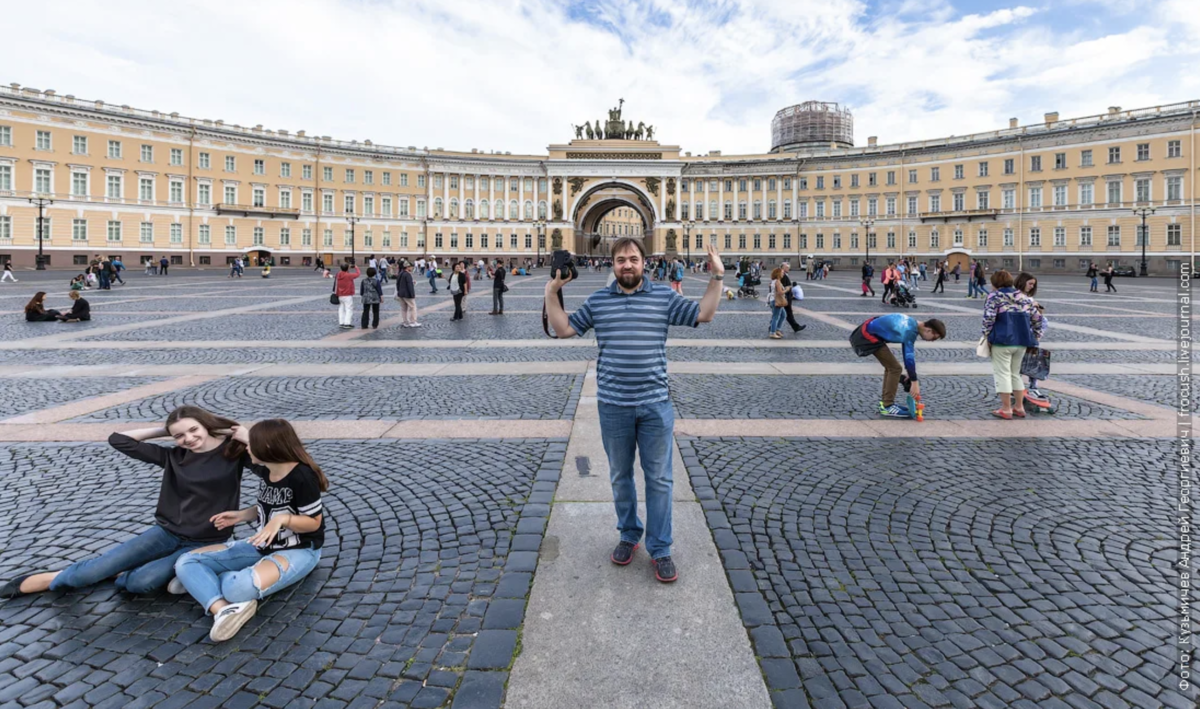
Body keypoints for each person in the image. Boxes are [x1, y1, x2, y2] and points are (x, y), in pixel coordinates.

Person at [544, 238, 726, 584]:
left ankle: (660, 548)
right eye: (620, 260)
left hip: (655, 404)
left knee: (659, 479)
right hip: (614, 405)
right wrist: (552, 292)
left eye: (633, 259)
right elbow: (564, 329)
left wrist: (717, 277)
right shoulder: (598, 301)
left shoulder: (663, 297)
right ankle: (629, 534)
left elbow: (704, 313)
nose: (627, 265)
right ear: (612, 265)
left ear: (644, 262)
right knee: (620, 475)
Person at [0, 407, 250, 599]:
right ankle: (51, 578)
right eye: (180, 435)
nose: (188, 438)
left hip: (209, 540)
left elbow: (279, 465)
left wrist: (247, 438)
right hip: (167, 533)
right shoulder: (174, 456)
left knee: (138, 584)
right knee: (91, 571)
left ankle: (183, 569)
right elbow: (119, 440)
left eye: (194, 429)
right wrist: (164, 430)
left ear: (205, 424)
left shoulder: (233, 452)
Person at [174, 419, 326, 642]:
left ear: (266, 448)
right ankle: (224, 610)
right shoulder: (268, 471)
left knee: (237, 589)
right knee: (185, 562)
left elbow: (313, 522)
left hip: (301, 551)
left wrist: (282, 520)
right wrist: (241, 515)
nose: (247, 448)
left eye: (251, 444)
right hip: (262, 544)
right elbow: (268, 506)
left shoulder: (303, 477)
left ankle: (205, 585)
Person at [849, 314, 947, 417]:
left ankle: (886, 403)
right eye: (934, 338)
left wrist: (910, 373)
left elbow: (906, 352)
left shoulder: (911, 323)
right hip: (866, 337)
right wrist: (914, 382)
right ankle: (887, 406)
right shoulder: (910, 330)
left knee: (892, 368)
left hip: (865, 332)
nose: (932, 341)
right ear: (928, 330)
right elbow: (909, 356)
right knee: (895, 368)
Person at [982, 270, 1045, 419]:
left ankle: (1006, 408)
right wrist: (1036, 337)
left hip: (1002, 340)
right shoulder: (1025, 298)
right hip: (1022, 341)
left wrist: (986, 337)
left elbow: (988, 319)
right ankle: (1019, 407)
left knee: (1002, 373)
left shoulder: (994, 297)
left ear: (995, 283)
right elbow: (1038, 319)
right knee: (1015, 374)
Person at [1014, 272, 1048, 394]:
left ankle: (1033, 386)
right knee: (1021, 362)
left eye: (1034, 284)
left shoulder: (1028, 298)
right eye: (1030, 284)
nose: (1032, 287)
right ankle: (1019, 387)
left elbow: (1038, 319)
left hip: (1030, 335)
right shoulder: (1018, 297)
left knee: (1032, 361)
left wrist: (1037, 309)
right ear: (1022, 282)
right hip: (1023, 335)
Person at [779, 262, 806, 333]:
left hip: (787, 297)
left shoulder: (785, 275)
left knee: (786, 313)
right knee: (782, 314)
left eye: (788, 267)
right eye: (787, 267)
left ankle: (796, 327)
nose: (788, 268)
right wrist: (788, 288)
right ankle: (772, 328)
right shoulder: (782, 275)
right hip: (785, 298)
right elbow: (782, 287)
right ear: (782, 268)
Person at [335, 262, 360, 329]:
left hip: (340, 294)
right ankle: (347, 323)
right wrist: (356, 268)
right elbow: (357, 274)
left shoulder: (338, 274)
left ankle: (341, 322)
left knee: (341, 308)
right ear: (347, 268)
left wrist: (346, 268)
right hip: (347, 294)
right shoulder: (348, 275)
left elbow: (342, 271)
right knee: (349, 309)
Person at [396, 261, 420, 327]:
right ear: (407, 267)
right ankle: (413, 321)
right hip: (407, 294)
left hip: (401, 293)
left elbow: (397, 283)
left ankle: (405, 321)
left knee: (403, 308)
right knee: (413, 307)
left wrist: (399, 291)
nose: (412, 268)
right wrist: (412, 294)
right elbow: (409, 285)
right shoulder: (408, 274)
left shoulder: (401, 273)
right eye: (411, 267)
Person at [768, 267, 787, 339]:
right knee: (775, 317)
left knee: (783, 315)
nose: (783, 274)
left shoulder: (774, 281)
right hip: (776, 301)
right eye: (782, 272)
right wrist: (786, 290)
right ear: (778, 274)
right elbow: (780, 292)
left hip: (774, 300)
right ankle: (773, 332)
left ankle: (777, 329)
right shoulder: (777, 282)